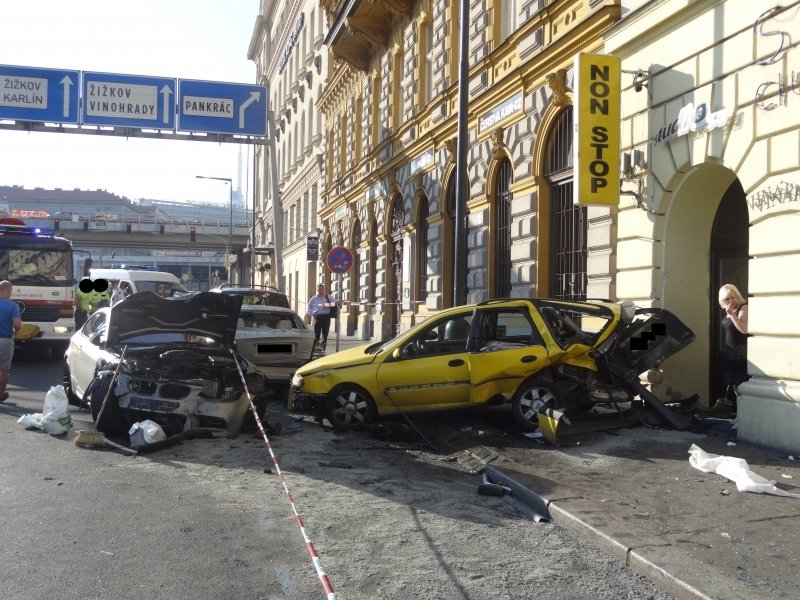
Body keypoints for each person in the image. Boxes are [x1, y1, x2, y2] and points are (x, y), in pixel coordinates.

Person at [718, 283, 749, 410]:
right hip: (731, 352)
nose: (731, 301)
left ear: (738, 296)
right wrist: (730, 313)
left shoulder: (743, 307)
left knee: (742, 386)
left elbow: (744, 329)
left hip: (741, 351)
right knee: (735, 386)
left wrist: (732, 315)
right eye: (727, 299)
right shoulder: (728, 310)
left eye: (733, 297)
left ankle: (745, 414)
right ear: (722, 300)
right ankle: (740, 415)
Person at [0, 280, 23, 402]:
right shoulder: (12, 306)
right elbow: (17, 324)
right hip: (5, 340)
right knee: (3, 369)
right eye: (11, 291)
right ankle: (0, 395)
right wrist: (15, 332)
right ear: (7, 290)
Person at [307, 283, 336, 347]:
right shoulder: (314, 298)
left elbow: (334, 303)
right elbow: (309, 307)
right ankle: (316, 348)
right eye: (319, 289)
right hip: (318, 317)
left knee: (325, 334)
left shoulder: (327, 297)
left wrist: (327, 305)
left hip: (326, 317)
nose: (321, 290)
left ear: (323, 289)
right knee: (317, 334)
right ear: (317, 289)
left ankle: (323, 348)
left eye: (322, 289)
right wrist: (312, 314)